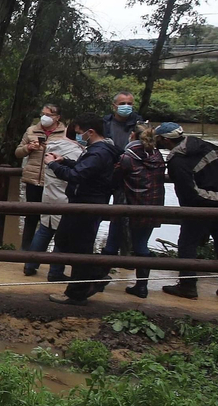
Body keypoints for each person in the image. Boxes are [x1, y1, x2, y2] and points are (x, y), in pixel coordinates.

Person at [153, 122, 218, 300]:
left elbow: (190, 192)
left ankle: (187, 286)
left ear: (164, 140)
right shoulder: (204, 145)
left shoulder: (177, 161)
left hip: (198, 208)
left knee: (187, 244)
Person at [43, 114, 120, 305]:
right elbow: (84, 169)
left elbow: (77, 176)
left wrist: (52, 165)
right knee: (64, 240)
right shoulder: (95, 150)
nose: (78, 136)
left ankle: (77, 292)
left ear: (90, 132)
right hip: (80, 202)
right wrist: (64, 161)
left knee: (80, 247)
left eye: (79, 133)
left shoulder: (99, 152)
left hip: (88, 205)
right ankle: (94, 275)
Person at [22, 128, 84, 282]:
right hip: (64, 197)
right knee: (62, 234)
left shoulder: (51, 146)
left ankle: (30, 265)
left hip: (49, 194)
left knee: (44, 229)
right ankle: (55, 271)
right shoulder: (77, 153)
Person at [112, 125, 167, 298]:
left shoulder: (128, 157)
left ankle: (95, 283)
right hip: (153, 206)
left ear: (132, 135)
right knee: (142, 244)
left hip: (129, 206)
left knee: (112, 243)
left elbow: (115, 177)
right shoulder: (157, 155)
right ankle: (142, 286)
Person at [15, 103, 64, 266]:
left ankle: (51, 256)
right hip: (32, 180)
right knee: (31, 217)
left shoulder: (65, 133)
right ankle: (26, 251)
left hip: (54, 182)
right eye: (43, 114)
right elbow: (18, 152)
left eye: (49, 115)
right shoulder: (31, 130)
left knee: (53, 219)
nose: (45, 117)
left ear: (57, 117)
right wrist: (28, 148)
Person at [98, 92, 140, 258]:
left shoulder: (139, 124)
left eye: (129, 103)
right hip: (105, 173)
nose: (126, 106)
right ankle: (87, 250)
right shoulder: (104, 123)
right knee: (96, 210)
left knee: (123, 215)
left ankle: (123, 252)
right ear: (114, 106)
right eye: (122, 103)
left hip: (127, 176)